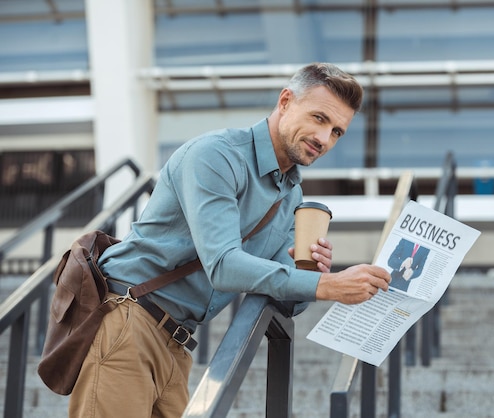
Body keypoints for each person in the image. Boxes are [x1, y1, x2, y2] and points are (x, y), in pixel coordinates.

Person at [69, 62, 391, 418]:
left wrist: (310, 269)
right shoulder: (216, 156)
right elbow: (223, 266)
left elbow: (284, 300)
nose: (324, 138)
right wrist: (325, 285)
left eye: (336, 132)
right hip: (129, 320)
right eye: (318, 118)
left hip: (177, 343)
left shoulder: (292, 199)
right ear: (285, 101)